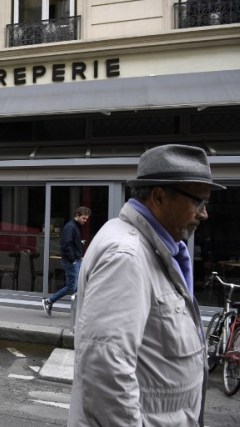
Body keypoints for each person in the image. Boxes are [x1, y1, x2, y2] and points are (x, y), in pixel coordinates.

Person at [69, 144, 225, 426]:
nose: (204, 215)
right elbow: (105, 371)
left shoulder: (151, 247)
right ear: (159, 196)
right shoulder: (127, 256)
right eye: (198, 203)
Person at [42, 206, 91, 316]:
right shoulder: (70, 227)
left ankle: (80, 312)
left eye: (86, 219)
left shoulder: (76, 226)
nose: (85, 221)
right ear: (77, 216)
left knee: (78, 286)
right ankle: (48, 301)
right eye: (84, 218)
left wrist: (79, 245)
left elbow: (71, 243)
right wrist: (73, 259)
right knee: (71, 287)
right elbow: (66, 245)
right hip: (71, 261)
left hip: (75, 259)